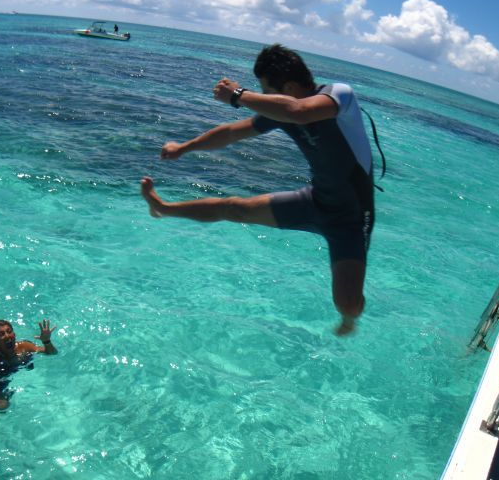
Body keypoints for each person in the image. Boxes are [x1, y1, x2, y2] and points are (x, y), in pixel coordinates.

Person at [140, 44, 375, 335]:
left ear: (288, 86)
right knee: (233, 208)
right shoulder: (280, 111)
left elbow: (299, 111)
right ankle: (162, 209)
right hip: (314, 201)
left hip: (351, 219)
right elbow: (230, 132)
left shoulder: (340, 96)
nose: (265, 97)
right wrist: (184, 148)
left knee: (348, 305)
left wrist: (239, 95)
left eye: (266, 90)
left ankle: (350, 321)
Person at [0, 319, 57, 410]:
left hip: (5, 379)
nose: (7, 336)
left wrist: (46, 341)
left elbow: (52, 353)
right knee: (3, 406)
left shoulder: (24, 347)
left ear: (14, 334)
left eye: (9, 331)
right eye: (2, 334)